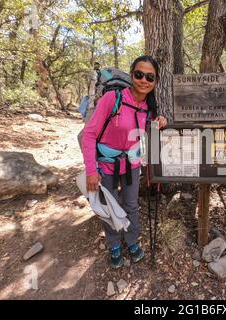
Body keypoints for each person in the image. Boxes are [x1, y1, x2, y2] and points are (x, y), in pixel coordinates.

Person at [82, 55, 167, 268]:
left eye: (150, 77)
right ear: (132, 75)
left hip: (131, 165)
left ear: (155, 82)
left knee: (131, 205)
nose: (144, 80)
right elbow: (89, 134)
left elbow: (147, 139)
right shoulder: (113, 99)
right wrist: (91, 170)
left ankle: (131, 241)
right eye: (139, 74)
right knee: (108, 205)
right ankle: (114, 244)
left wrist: (161, 122)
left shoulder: (150, 108)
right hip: (105, 165)